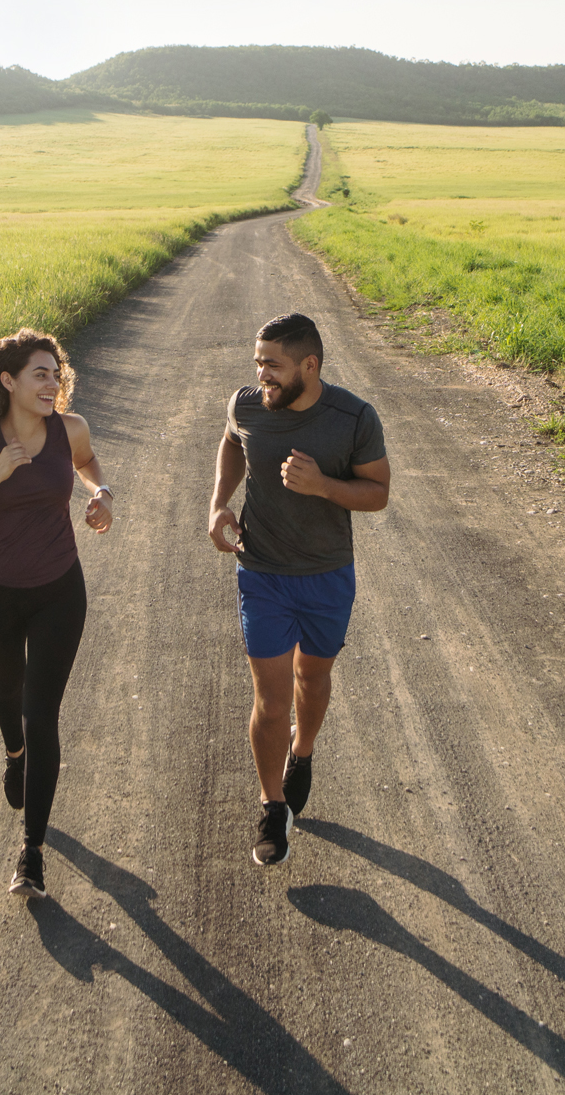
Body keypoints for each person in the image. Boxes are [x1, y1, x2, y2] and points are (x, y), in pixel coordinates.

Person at [207, 313, 389, 866]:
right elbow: (233, 442)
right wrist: (219, 503)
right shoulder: (246, 404)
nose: (261, 374)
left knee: (313, 675)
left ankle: (301, 753)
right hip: (261, 572)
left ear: (309, 366)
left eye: (273, 364)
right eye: (257, 361)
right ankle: (271, 804)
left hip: (328, 574)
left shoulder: (354, 417)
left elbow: (378, 493)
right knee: (271, 694)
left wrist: (324, 486)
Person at [0, 329, 114, 899]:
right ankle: (12, 753)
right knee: (6, 691)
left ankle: (32, 853)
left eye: (56, 373)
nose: (52, 383)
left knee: (42, 715)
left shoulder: (70, 430)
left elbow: (90, 465)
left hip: (60, 591)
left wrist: (101, 494)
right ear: (8, 381)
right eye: (39, 374)